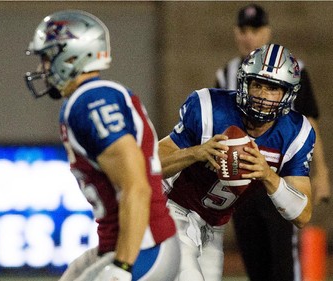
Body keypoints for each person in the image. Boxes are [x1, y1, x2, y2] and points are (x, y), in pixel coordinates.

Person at [24, 10, 180, 281]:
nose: (42, 69)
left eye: (47, 58)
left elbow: (136, 186)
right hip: (134, 244)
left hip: (145, 248)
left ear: (71, 56)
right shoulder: (93, 97)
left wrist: (122, 266)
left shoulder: (91, 101)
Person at [160, 43, 314, 281]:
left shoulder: (296, 132)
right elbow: (150, 164)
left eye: (273, 88)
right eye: (257, 85)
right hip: (174, 210)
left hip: (214, 226)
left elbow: (302, 215)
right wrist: (196, 153)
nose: (263, 96)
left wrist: (268, 176)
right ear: (245, 84)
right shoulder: (210, 108)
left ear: (288, 94)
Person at [214, 4, 331, 280]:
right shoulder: (226, 74)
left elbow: (308, 125)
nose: (249, 36)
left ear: (267, 31)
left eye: (255, 30)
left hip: (280, 178)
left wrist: (321, 172)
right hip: (242, 185)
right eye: (243, 30)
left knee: (283, 264)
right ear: (235, 33)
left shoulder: (293, 71)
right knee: (255, 264)